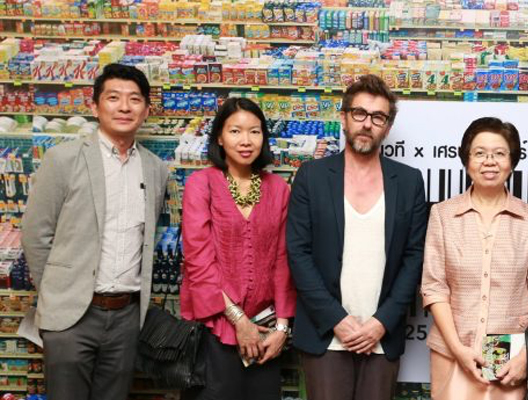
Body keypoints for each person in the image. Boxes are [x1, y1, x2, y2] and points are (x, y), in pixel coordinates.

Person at [20, 63, 170, 400]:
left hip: (126, 316)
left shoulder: (155, 168)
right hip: (71, 316)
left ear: (147, 110)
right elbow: (35, 234)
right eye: (113, 98)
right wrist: (58, 293)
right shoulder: (63, 159)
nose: (124, 107)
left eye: (134, 99)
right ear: (94, 106)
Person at [286, 74, 428, 400]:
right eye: (359, 113)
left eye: (378, 117)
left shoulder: (409, 181)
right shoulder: (311, 176)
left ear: (387, 127)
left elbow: (414, 258)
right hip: (326, 334)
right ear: (344, 117)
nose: (367, 124)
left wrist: (382, 322)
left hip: (380, 335)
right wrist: (336, 319)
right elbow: (298, 253)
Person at [421, 117, 528, 399]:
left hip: (509, 356)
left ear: (512, 161)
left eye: (499, 153)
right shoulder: (443, 214)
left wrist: (527, 356)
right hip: (453, 349)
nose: (489, 162)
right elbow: (434, 288)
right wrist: (458, 349)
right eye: (480, 153)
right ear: (467, 160)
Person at [180, 97, 296, 400]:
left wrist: (282, 328)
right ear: (219, 137)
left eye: (254, 132)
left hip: (265, 329)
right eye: (235, 131)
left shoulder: (278, 189)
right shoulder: (201, 184)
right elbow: (198, 261)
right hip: (213, 325)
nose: (246, 141)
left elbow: (283, 261)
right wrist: (238, 320)